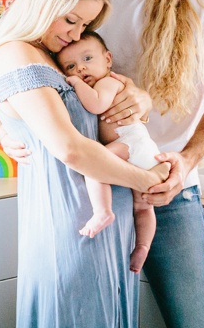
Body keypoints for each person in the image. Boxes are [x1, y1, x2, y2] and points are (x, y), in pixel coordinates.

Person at [5, 0, 204, 327]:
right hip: (83, 181)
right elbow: (19, 55)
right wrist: (8, 127)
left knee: (199, 317)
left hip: (162, 178)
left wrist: (185, 161)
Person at [0, 0, 169, 327]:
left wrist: (138, 99)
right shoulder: (18, 55)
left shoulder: (52, 55)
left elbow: (93, 120)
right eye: (71, 20)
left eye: (85, 25)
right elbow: (70, 149)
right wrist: (146, 181)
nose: (76, 35)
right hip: (72, 228)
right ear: (44, 0)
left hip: (106, 226)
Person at [58, 31, 163, 273]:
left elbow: (96, 104)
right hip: (136, 147)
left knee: (94, 165)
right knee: (143, 207)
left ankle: (103, 212)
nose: (80, 69)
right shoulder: (102, 82)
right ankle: (143, 246)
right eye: (71, 66)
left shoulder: (108, 82)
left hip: (130, 142)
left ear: (107, 59)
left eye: (87, 59)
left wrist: (76, 83)